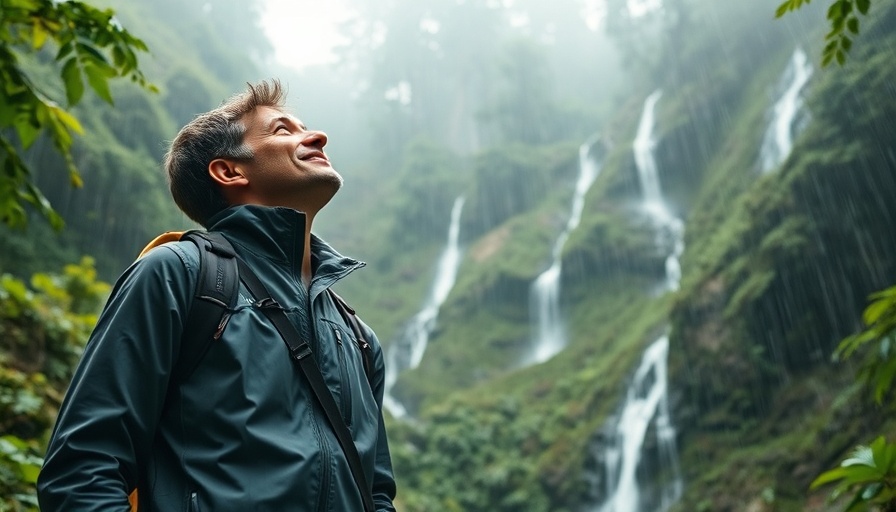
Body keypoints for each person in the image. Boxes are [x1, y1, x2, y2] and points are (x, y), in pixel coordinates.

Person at [37, 79, 397, 511]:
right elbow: (82, 470)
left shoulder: (356, 337)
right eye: (283, 130)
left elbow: (376, 494)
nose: (317, 136)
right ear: (229, 171)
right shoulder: (178, 275)